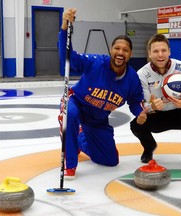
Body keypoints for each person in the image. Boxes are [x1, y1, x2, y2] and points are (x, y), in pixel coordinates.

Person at [58, 8, 147, 178]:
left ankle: (79, 138)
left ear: (130, 54)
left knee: (110, 160)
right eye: (117, 48)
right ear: (111, 50)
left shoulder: (132, 78)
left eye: (125, 50)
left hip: (97, 119)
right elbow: (67, 58)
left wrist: (140, 113)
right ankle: (69, 163)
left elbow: (135, 102)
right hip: (76, 103)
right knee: (70, 114)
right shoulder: (95, 63)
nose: (120, 52)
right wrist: (64, 28)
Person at [130, 33, 181, 171]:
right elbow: (143, 104)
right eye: (155, 51)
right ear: (149, 53)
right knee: (136, 124)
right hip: (158, 116)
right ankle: (149, 147)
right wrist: (152, 107)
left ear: (169, 51)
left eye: (163, 50)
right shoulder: (142, 74)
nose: (160, 55)